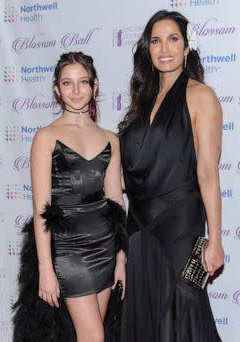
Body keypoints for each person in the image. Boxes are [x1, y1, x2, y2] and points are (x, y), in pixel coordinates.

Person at [118, 10, 224, 341]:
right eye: (156, 40)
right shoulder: (140, 102)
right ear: (147, 49)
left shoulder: (200, 96)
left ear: (187, 47)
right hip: (137, 225)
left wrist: (216, 238)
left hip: (180, 224)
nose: (164, 48)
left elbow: (207, 171)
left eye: (173, 39)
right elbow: (127, 173)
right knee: (145, 314)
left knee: (183, 310)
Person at [13, 52, 127, 342]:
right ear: (56, 89)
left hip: (104, 247)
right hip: (68, 254)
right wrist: (45, 269)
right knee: (93, 337)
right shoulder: (46, 137)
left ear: (95, 86)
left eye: (83, 82)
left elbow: (116, 203)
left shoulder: (111, 139)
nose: (76, 91)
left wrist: (121, 259)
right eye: (67, 83)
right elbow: (42, 209)